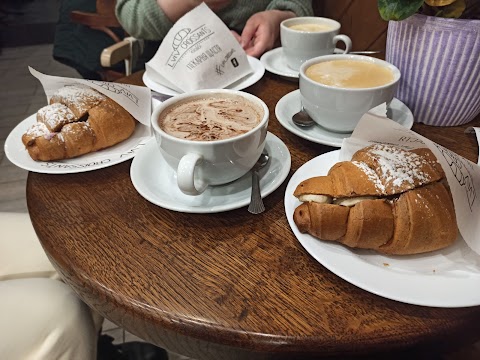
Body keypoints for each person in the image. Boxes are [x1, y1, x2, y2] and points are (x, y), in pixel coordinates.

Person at [115, 0, 314, 58]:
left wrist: (279, 18)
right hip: (171, 66)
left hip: (262, 64)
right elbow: (131, 16)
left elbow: (299, 8)